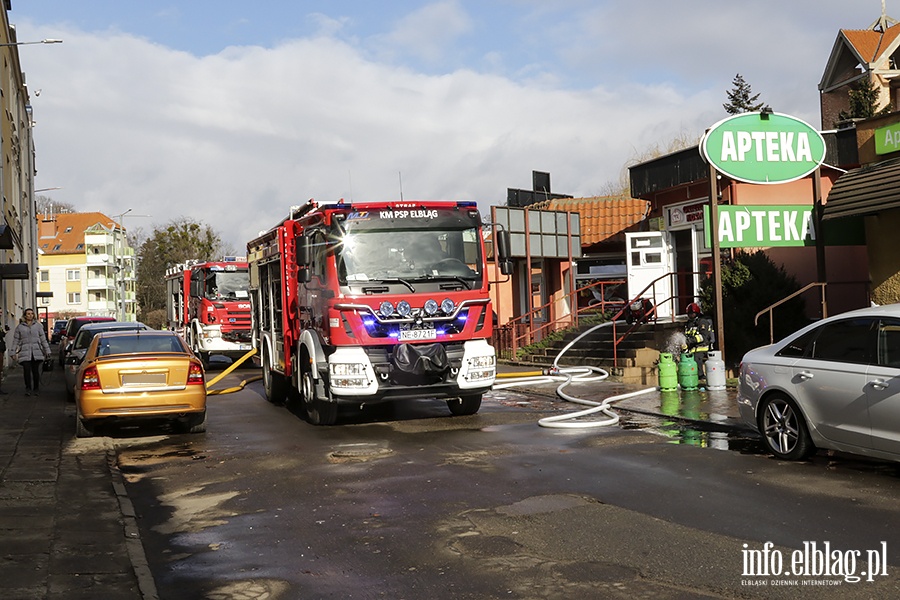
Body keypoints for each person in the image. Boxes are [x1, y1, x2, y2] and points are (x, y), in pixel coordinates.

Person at [13, 308, 52, 396]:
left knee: (35, 371)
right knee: (26, 371)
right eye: (28, 314)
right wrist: (13, 352)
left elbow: (43, 339)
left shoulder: (38, 326)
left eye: (31, 314)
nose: (30, 315)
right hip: (25, 352)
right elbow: (16, 340)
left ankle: (36, 388)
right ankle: (28, 388)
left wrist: (47, 351)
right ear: (25, 315)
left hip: (36, 352)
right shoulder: (20, 327)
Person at [683, 302, 715, 379]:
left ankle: (701, 376)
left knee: (696, 358)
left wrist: (690, 340)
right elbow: (686, 335)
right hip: (692, 348)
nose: (690, 315)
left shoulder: (702, 322)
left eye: (692, 314)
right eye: (689, 314)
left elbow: (703, 337)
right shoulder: (688, 324)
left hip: (702, 347)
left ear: (697, 313)